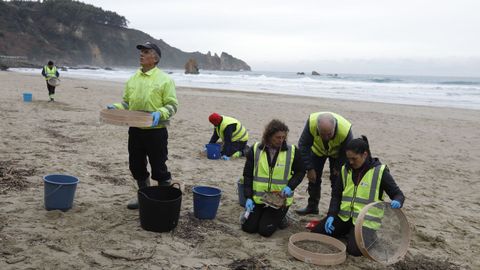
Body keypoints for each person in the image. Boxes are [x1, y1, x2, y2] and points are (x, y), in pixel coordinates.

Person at [107, 41, 178, 210]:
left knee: (159, 168)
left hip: (156, 131)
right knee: (136, 166)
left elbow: (172, 105)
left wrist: (159, 113)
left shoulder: (165, 80)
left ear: (155, 58)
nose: (141, 54)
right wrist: (116, 108)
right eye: (141, 52)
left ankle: (163, 199)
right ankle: (144, 197)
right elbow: (126, 103)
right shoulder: (133, 79)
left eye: (146, 52)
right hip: (135, 130)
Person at [311, 135, 405, 256]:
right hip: (344, 218)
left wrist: (398, 201)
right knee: (317, 232)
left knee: (354, 251)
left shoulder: (380, 172)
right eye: (348, 158)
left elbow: (398, 194)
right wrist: (331, 215)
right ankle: (347, 233)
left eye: (354, 159)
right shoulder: (345, 169)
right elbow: (336, 195)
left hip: (366, 223)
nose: (350, 162)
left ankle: (370, 238)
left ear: (364, 155)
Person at [241, 119, 305, 237]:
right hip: (259, 198)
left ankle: (282, 218)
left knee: (264, 231)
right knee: (248, 228)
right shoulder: (255, 150)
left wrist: (290, 187)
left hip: (279, 200)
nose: (281, 140)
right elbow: (248, 175)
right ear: (268, 136)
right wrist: (248, 197)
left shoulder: (292, 151)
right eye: (277, 137)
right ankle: (260, 214)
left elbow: (301, 171)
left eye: (283, 137)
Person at [296, 112, 353, 215]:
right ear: (317, 128)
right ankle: (312, 207)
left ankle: (334, 210)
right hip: (317, 150)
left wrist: (338, 167)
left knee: (337, 181)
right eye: (322, 134)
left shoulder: (345, 130)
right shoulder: (311, 123)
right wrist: (309, 168)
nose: (326, 137)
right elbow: (303, 146)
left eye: (329, 134)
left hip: (338, 154)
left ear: (334, 127)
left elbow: (348, 152)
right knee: (313, 179)